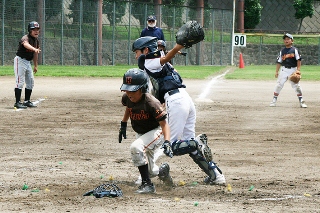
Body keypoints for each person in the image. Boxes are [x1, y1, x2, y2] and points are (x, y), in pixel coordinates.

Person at [132, 36, 226, 185]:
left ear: (145, 50)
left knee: (170, 145)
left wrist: (178, 47)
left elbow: (163, 59)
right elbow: (164, 66)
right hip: (185, 99)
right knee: (187, 145)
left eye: (136, 52)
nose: (136, 56)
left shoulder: (149, 61)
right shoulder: (159, 59)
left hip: (176, 101)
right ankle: (216, 175)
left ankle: (195, 143)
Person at [119, 68, 173, 194]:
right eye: (126, 89)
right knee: (149, 170)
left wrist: (167, 141)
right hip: (141, 133)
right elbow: (128, 107)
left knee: (136, 147)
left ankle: (147, 185)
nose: (129, 93)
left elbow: (165, 125)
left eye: (133, 90)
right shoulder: (128, 97)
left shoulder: (151, 102)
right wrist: (123, 123)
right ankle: (162, 172)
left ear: (143, 88)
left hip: (156, 132)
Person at [270, 33, 307, 108]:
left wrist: (298, 70)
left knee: (296, 86)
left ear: (292, 41)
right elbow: (279, 62)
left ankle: (301, 101)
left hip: (293, 69)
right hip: (284, 70)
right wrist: (277, 71)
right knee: (279, 85)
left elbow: (298, 60)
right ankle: (274, 100)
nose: (286, 40)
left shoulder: (295, 50)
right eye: (285, 39)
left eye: (288, 39)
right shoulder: (282, 51)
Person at [13, 21, 41, 109]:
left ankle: (27, 101)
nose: (36, 31)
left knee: (30, 81)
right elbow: (25, 44)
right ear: (29, 30)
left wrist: (35, 65)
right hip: (20, 60)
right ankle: (17, 102)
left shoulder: (36, 41)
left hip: (28, 62)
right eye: (34, 29)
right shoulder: (25, 38)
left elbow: (35, 54)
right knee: (20, 81)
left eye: (37, 29)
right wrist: (34, 49)